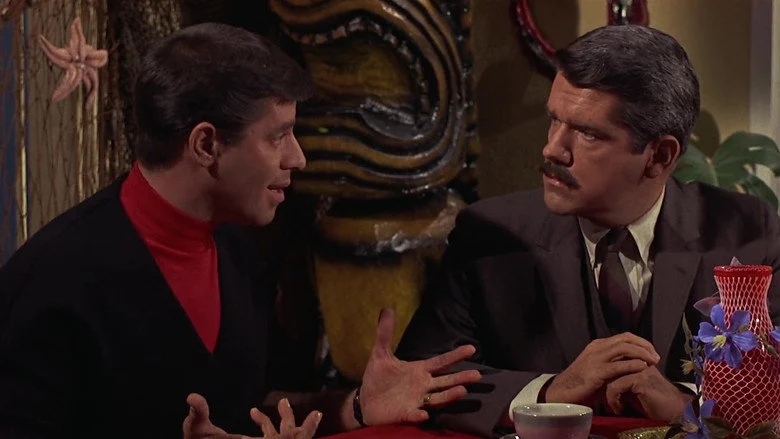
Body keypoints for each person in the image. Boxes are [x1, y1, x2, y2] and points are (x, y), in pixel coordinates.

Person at [0, 22, 481, 439]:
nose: (298, 158)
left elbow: (247, 409)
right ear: (206, 144)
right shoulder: (52, 283)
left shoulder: (237, 248)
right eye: (278, 137)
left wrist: (354, 407)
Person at [397, 24, 780, 438]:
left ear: (659, 156)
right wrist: (551, 391)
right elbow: (422, 378)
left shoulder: (747, 230)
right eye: (554, 120)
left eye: (588, 133)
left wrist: (684, 405)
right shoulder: (489, 234)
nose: (553, 149)